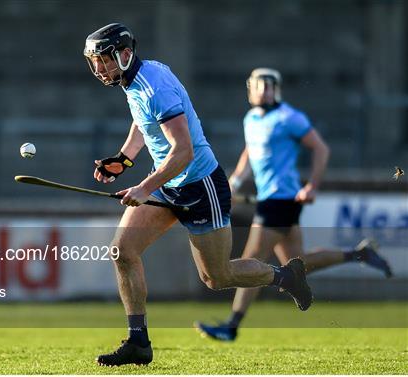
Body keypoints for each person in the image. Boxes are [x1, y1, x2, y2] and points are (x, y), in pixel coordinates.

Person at [84, 24, 313, 367]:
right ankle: (138, 342)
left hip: (199, 185)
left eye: (104, 60)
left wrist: (144, 188)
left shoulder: (154, 87)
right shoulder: (136, 80)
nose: (99, 69)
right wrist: (124, 159)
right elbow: (142, 122)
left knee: (216, 278)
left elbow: (183, 152)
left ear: (125, 53)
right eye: (95, 62)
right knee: (122, 250)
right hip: (168, 182)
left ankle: (286, 276)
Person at [195, 68, 393, 341]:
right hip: (270, 199)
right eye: (259, 85)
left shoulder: (289, 117)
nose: (264, 90)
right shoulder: (250, 118)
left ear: (277, 89)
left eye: (270, 85)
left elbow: (321, 148)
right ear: (249, 89)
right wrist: (235, 183)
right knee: (298, 263)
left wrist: (311, 185)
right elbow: (250, 153)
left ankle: (232, 325)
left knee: (254, 257)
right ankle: (360, 254)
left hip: (282, 199)